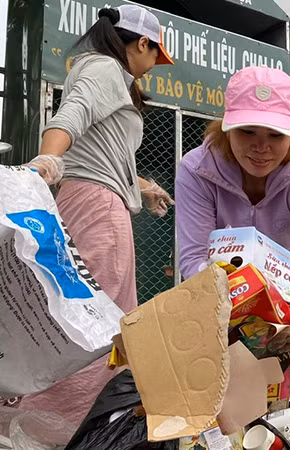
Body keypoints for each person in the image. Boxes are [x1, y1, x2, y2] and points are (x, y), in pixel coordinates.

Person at [18, 5, 175, 425]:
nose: (153, 66)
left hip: (82, 200)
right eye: (155, 55)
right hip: (98, 211)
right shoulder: (106, 69)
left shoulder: (99, 70)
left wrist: (143, 187)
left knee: (76, 313)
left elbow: (101, 152)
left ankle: (57, 419)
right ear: (142, 43)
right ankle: (68, 423)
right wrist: (46, 161)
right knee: (98, 324)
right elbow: (71, 117)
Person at [175, 66, 290, 361]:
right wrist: (230, 304)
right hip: (221, 274)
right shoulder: (197, 170)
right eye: (247, 131)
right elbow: (193, 257)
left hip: (288, 271)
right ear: (227, 127)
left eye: (275, 135)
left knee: (288, 357)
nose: (261, 147)